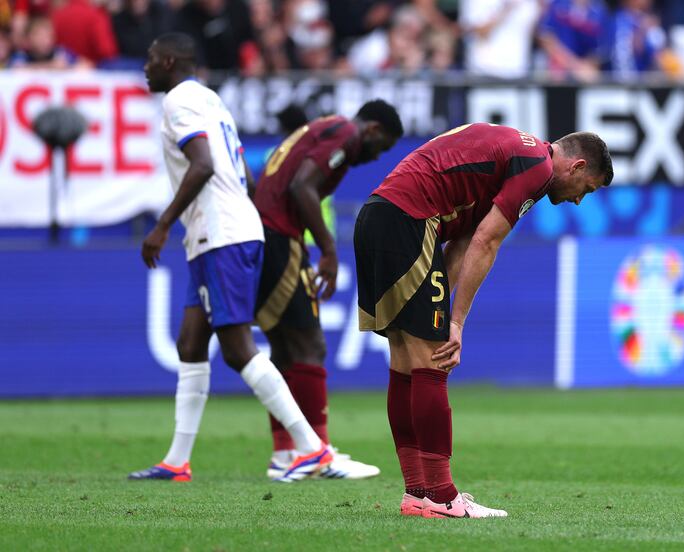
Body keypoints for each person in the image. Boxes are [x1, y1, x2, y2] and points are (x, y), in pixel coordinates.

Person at [354, 123, 613, 518]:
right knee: (433, 362)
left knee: (406, 361)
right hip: (409, 221)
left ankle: (419, 494)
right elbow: (486, 242)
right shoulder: (537, 168)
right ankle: (443, 497)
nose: (579, 201)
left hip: (379, 216)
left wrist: (440, 312)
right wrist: (454, 324)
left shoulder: (514, 152)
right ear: (576, 166)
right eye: (587, 190)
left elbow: (462, 242)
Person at [128, 32, 330, 483]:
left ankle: (312, 449)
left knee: (238, 349)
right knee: (190, 343)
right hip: (223, 231)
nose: (145, 66)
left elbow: (202, 164)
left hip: (222, 234)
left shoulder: (179, 101)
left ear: (169, 61)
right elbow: (241, 174)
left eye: (151, 58)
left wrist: (163, 225)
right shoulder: (212, 100)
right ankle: (177, 461)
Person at [252, 99, 403, 479]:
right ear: (372, 130)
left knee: (284, 347)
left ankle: (286, 453)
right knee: (310, 345)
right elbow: (302, 185)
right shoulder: (346, 134)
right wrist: (329, 250)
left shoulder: (324, 126)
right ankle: (318, 453)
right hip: (279, 237)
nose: (375, 157)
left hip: (263, 234)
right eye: (381, 146)